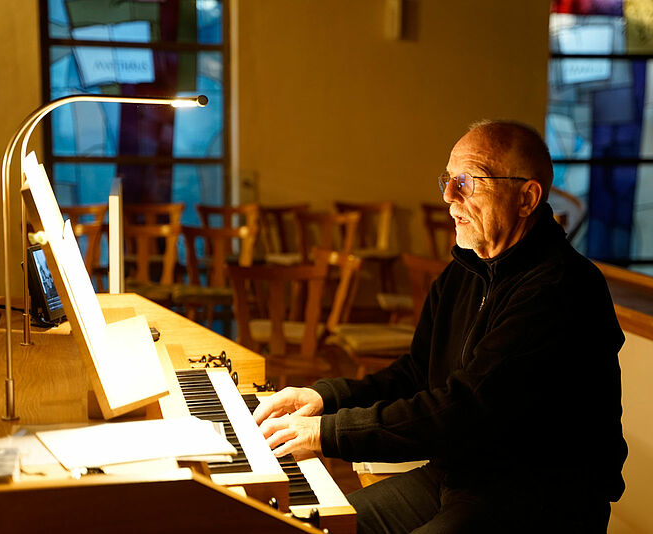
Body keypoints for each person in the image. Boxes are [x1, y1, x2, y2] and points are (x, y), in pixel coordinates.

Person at [253, 119, 627, 533]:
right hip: (458, 476)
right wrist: (324, 398)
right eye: (448, 180)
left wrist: (329, 432)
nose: (449, 197)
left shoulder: (559, 289)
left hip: (538, 498)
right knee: (317, 526)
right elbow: (417, 374)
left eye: (467, 182)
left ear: (527, 198)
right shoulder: (464, 272)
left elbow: (465, 410)